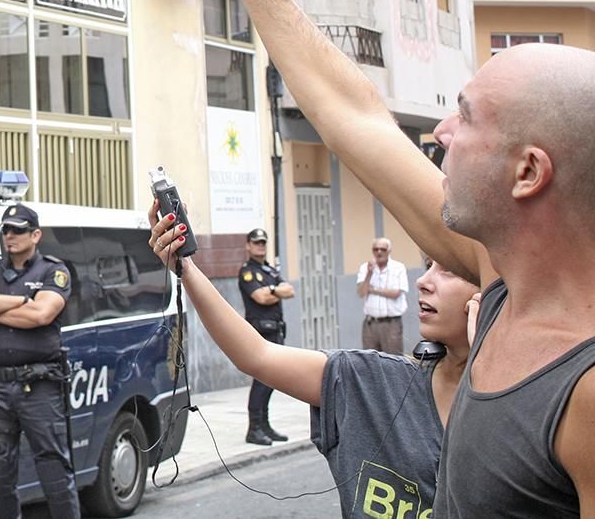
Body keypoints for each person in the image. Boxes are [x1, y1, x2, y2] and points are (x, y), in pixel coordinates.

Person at [173, 0, 595, 517]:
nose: (441, 133)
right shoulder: (501, 284)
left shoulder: (583, 386)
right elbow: (358, 118)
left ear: (528, 172)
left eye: (466, 117)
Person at [149, 211, 479, 518]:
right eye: (428, 264)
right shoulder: (371, 381)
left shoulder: (511, 418)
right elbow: (257, 355)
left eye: (449, 269)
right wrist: (185, 267)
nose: (424, 280)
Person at [0, 203, 80, 519]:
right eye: (6, 230)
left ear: (35, 235)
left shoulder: (53, 271)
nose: (10, 235)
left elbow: (42, 314)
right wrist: (21, 301)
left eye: (18, 230)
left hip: (39, 387)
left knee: (54, 469)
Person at [237, 226, 295, 445]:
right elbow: (260, 298)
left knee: (272, 380)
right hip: (260, 332)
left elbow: (290, 291)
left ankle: (265, 425)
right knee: (262, 380)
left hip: (276, 330)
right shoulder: (247, 272)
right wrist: (275, 291)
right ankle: (254, 428)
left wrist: (270, 291)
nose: (260, 246)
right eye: (256, 243)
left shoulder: (269, 270)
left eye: (263, 243)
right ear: (248, 245)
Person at [357, 238, 408, 355]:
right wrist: (369, 273)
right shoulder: (365, 267)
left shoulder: (398, 267)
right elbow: (361, 292)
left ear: (389, 251)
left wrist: (373, 290)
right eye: (376, 249)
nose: (379, 252)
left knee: (393, 359)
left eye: (382, 249)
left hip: (391, 323)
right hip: (370, 323)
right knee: (370, 360)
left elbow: (396, 293)